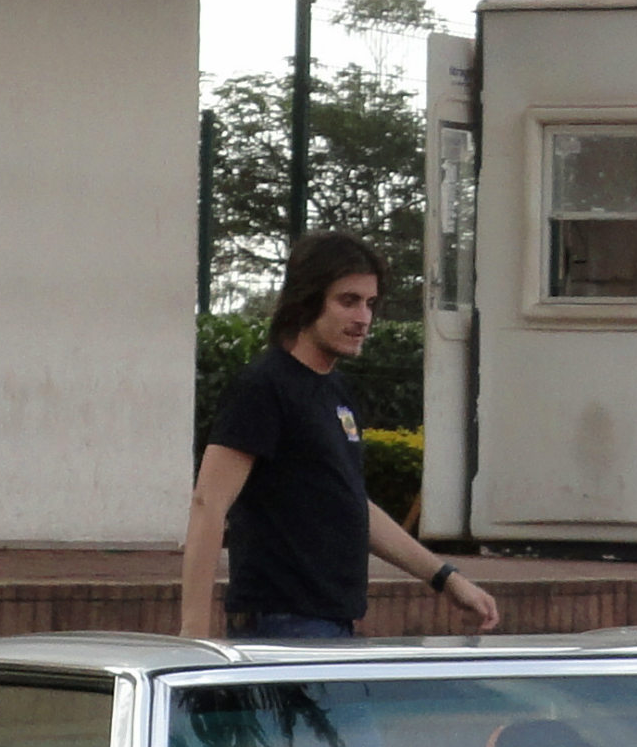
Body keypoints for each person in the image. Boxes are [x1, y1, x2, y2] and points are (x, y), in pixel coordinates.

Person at [183, 235, 502, 642]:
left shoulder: (336, 391)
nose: (363, 318)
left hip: (333, 625)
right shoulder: (264, 387)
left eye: (370, 304)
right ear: (307, 300)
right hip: (281, 626)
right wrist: (192, 632)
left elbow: (349, 504)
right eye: (348, 301)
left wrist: (445, 577)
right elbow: (208, 504)